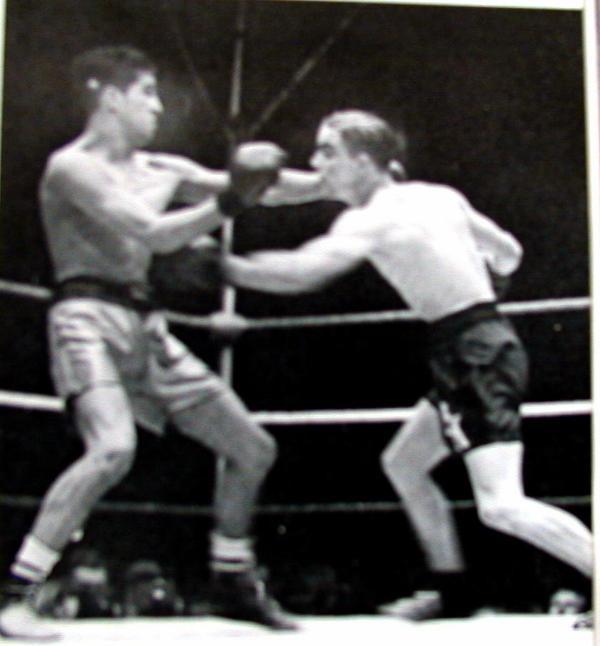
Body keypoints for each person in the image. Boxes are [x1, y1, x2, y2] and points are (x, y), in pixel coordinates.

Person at [0, 45, 325, 640]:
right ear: (109, 96)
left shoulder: (163, 168)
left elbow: (264, 190)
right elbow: (154, 232)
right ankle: (17, 593)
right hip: (85, 317)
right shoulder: (71, 169)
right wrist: (232, 201)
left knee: (253, 448)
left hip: (149, 328)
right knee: (112, 449)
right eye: (146, 92)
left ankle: (231, 580)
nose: (157, 104)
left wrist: (340, 183)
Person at [222, 109, 594, 623]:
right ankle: (453, 591)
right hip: (474, 342)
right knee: (404, 463)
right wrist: (480, 281)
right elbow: (509, 252)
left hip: (473, 354)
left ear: (362, 161)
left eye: (328, 152)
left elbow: (303, 272)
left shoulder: (373, 218)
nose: (317, 162)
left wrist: (221, 268)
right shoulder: (440, 196)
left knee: (501, 504)